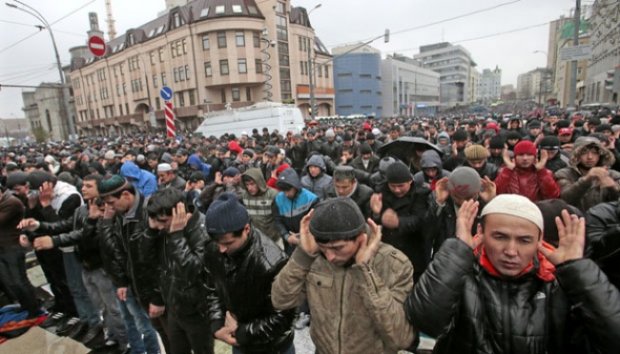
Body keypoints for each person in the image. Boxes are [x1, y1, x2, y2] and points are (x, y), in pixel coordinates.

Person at [405, 195, 620, 354]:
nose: (510, 251)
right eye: (499, 237)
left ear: (539, 239)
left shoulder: (559, 282)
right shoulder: (461, 273)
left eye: (524, 240)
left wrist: (577, 269)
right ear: (481, 234)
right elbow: (425, 320)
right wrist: (458, 251)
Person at [271, 198, 416, 354]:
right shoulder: (314, 257)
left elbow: (401, 338)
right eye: (324, 248)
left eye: (338, 248)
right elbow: (281, 301)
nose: (330, 257)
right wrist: (303, 256)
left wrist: (365, 271)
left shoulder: (395, 264)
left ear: (361, 238)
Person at [22, 174, 128, 350]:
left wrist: (92, 220)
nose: (83, 188)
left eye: (89, 186)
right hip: (86, 264)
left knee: (114, 308)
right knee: (99, 305)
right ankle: (110, 335)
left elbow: (86, 237)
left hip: (102, 266)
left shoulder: (107, 211)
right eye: (83, 185)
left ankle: (125, 342)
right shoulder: (82, 210)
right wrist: (38, 225)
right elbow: (64, 226)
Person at [204, 193, 296, 354]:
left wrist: (241, 332)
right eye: (217, 243)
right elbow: (212, 286)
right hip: (239, 341)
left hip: (272, 347)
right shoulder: (215, 248)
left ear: (246, 229)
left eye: (227, 243)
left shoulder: (273, 262)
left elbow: (283, 318)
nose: (221, 249)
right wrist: (217, 324)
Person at [98, 175, 166, 354]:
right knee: (136, 324)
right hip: (133, 283)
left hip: (151, 289)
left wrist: (156, 297)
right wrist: (122, 281)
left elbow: (157, 261)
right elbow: (118, 251)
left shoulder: (148, 212)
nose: (109, 209)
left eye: (112, 203)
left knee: (151, 329)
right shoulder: (122, 214)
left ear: (126, 195)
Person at [146, 188, 213, 354]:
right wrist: (150, 232)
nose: (160, 226)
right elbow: (146, 260)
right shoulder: (162, 230)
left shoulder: (202, 230)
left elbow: (193, 272)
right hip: (174, 306)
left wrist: (177, 237)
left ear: (179, 212)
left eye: (163, 221)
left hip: (198, 311)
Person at [370, 161, 427, 281]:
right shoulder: (380, 191)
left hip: (412, 249)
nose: (397, 190)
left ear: (410, 181)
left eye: (401, 186)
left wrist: (399, 222)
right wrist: (376, 214)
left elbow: (421, 220)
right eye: (393, 186)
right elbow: (372, 222)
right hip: (386, 249)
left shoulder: (421, 193)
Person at [427, 166, 495, 255]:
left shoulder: (483, 203)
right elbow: (428, 233)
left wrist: (491, 203)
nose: (463, 202)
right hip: (447, 257)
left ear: (477, 192)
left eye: (469, 198)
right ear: (451, 192)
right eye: (457, 197)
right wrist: (438, 203)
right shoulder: (443, 202)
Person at [0, 186, 40, 318]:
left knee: (19, 281)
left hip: (12, 247)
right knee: (11, 282)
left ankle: (34, 309)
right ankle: (25, 306)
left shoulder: (11, 202)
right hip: (3, 248)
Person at [555, 136, 620, 212]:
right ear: (576, 155)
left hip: (605, 221)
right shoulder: (564, 174)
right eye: (584, 153)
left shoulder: (613, 175)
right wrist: (586, 180)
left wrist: (613, 188)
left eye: (594, 153)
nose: (590, 157)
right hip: (577, 220)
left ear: (600, 155)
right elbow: (566, 199)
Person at [495, 140, 560, 202]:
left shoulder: (546, 173)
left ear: (535, 157)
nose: (525, 158)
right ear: (515, 157)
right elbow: (496, 193)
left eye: (529, 155)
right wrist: (508, 170)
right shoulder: (504, 172)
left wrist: (541, 171)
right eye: (521, 155)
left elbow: (553, 196)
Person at [272, 168, 319, 253]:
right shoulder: (278, 199)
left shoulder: (311, 199)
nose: (286, 194)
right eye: (284, 191)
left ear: (295, 187)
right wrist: (287, 236)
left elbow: (315, 223)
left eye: (288, 190)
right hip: (289, 243)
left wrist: (302, 236)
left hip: (308, 241)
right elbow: (277, 220)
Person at [240, 168, 281, 248]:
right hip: (256, 239)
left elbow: (279, 219)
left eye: (252, 184)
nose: (249, 188)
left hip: (274, 238)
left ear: (259, 182)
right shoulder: (244, 195)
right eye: (247, 185)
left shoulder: (273, 195)